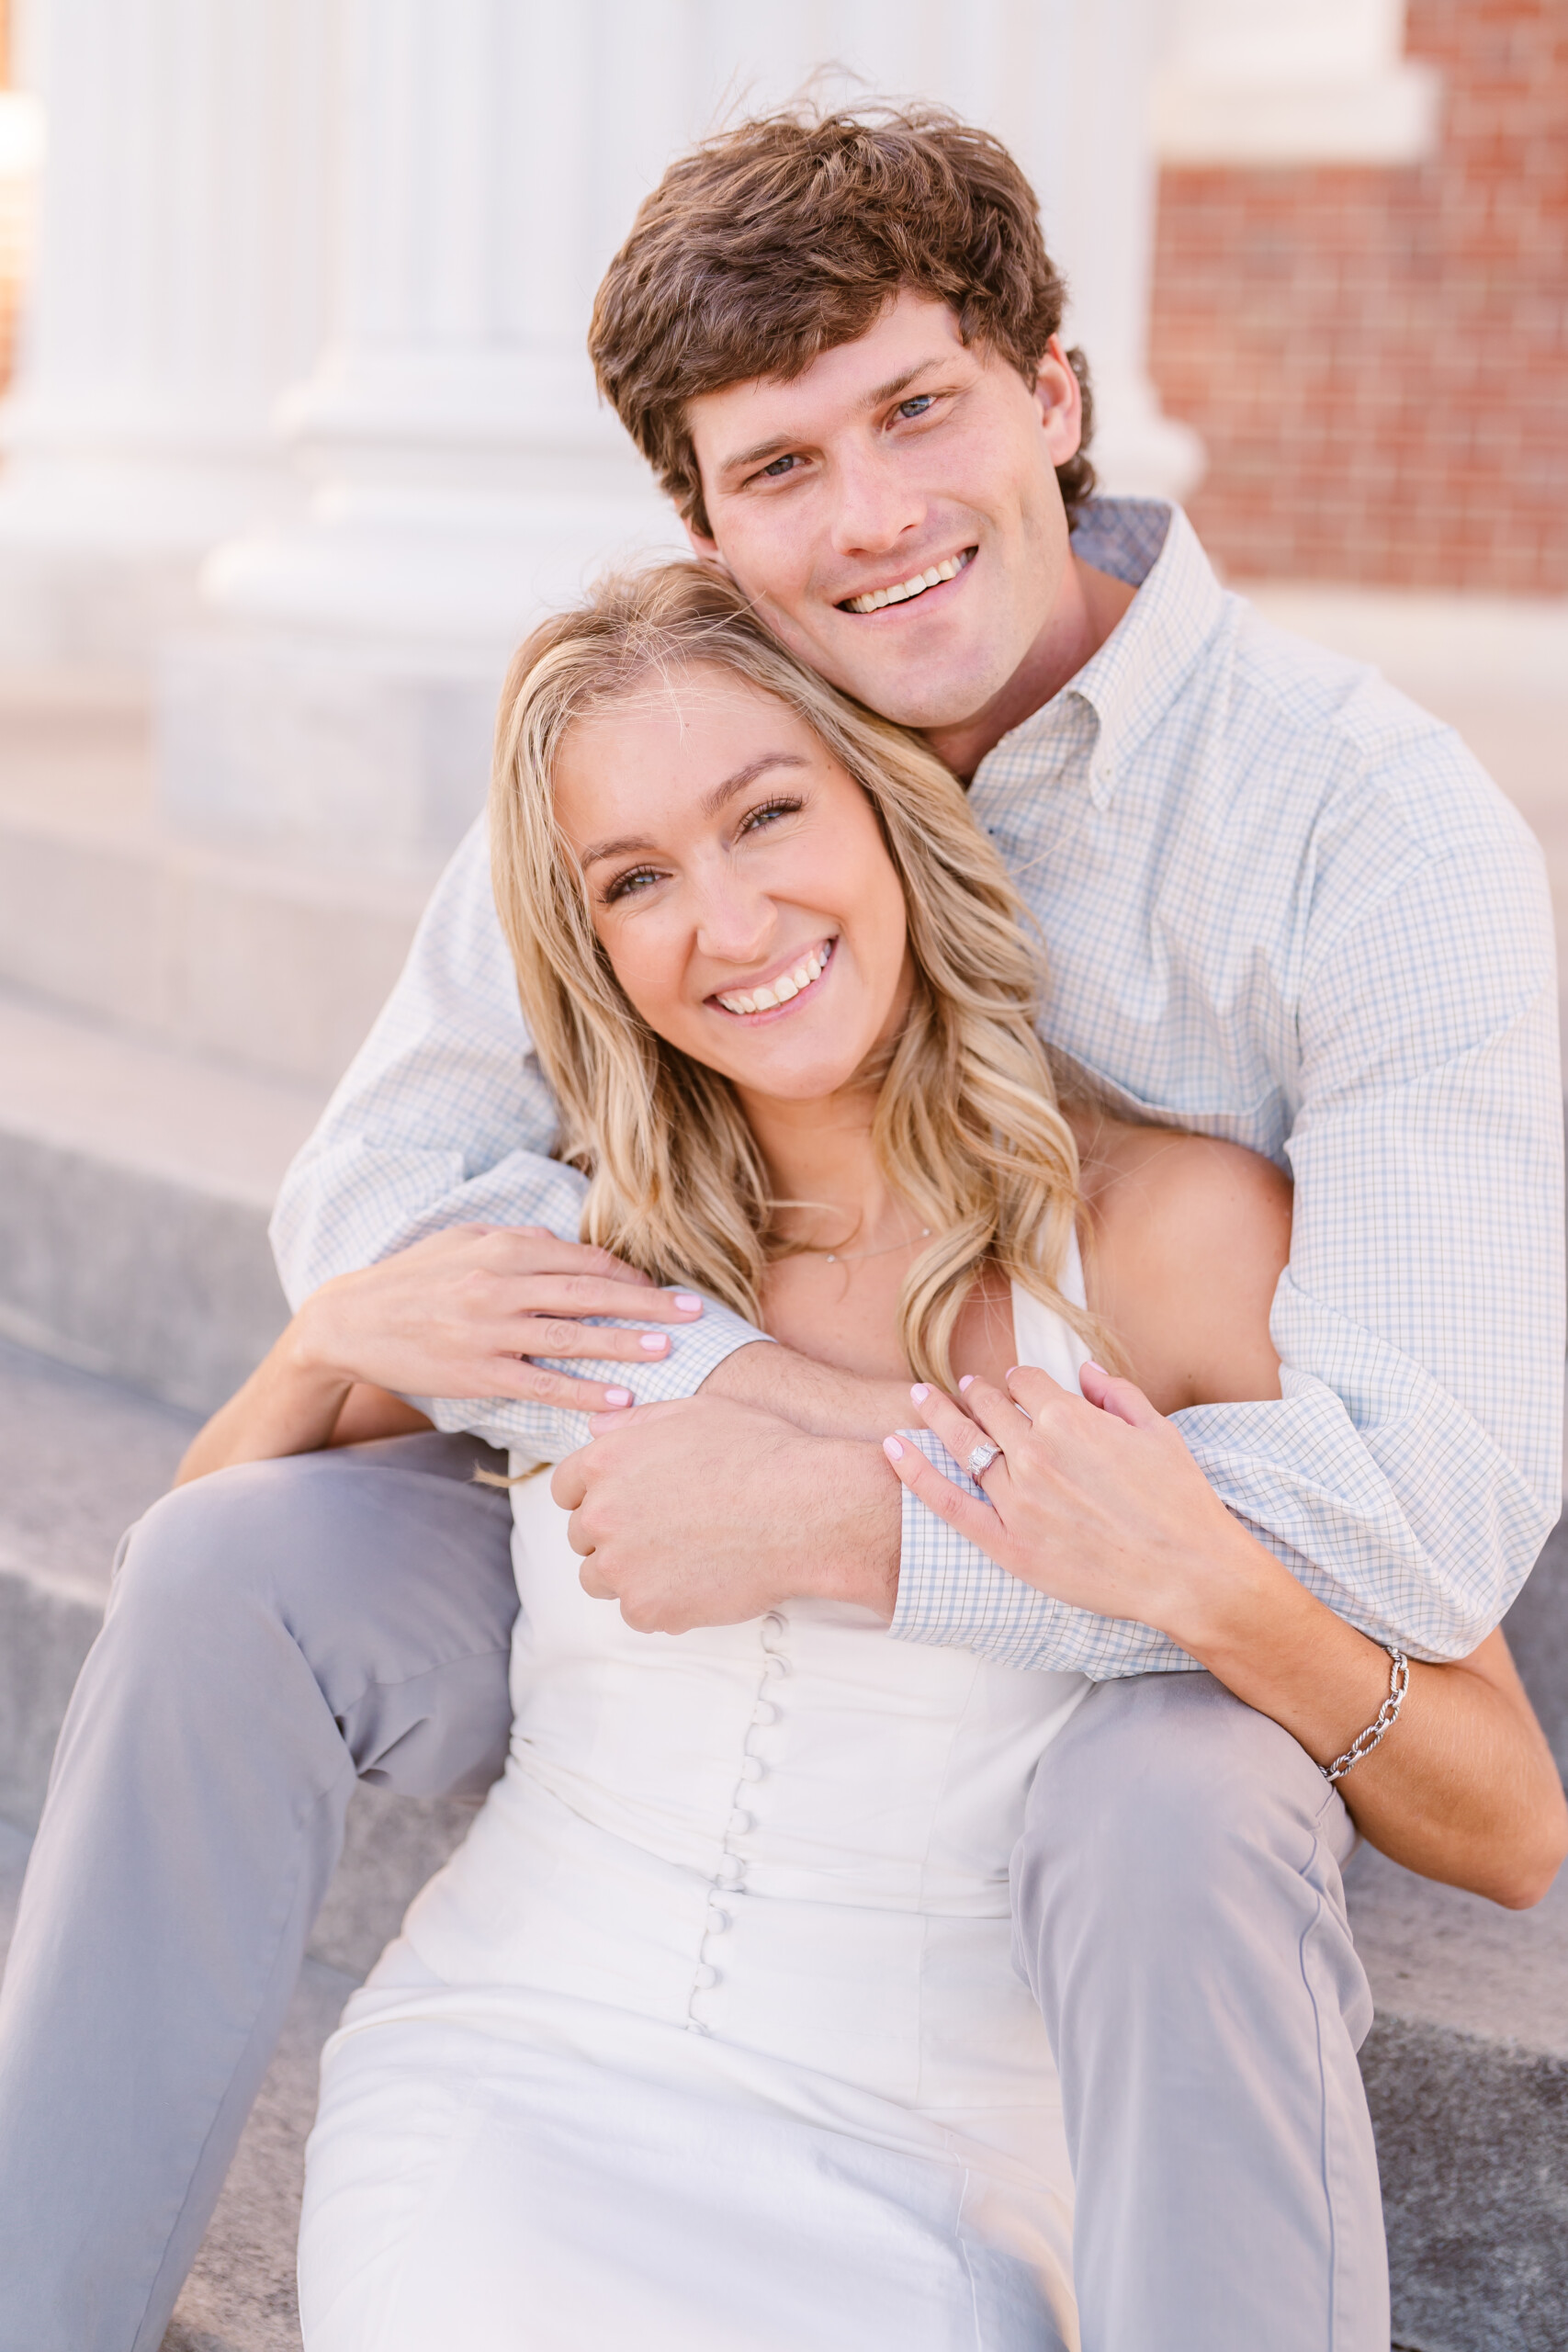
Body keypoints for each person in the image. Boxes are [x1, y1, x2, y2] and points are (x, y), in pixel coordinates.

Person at [0, 106, 1561, 2352]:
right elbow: (383, 1185)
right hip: (647, 1589)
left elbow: (1406, 1528)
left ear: (1052, 391)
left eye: (915, 408)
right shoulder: (727, 685)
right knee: (229, 1563)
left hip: (1137, 1599)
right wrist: (716, 1395)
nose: (871, 524)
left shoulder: (1361, 829)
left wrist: (846, 1502)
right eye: (780, 470)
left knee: (1177, 1801)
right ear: (709, 524)